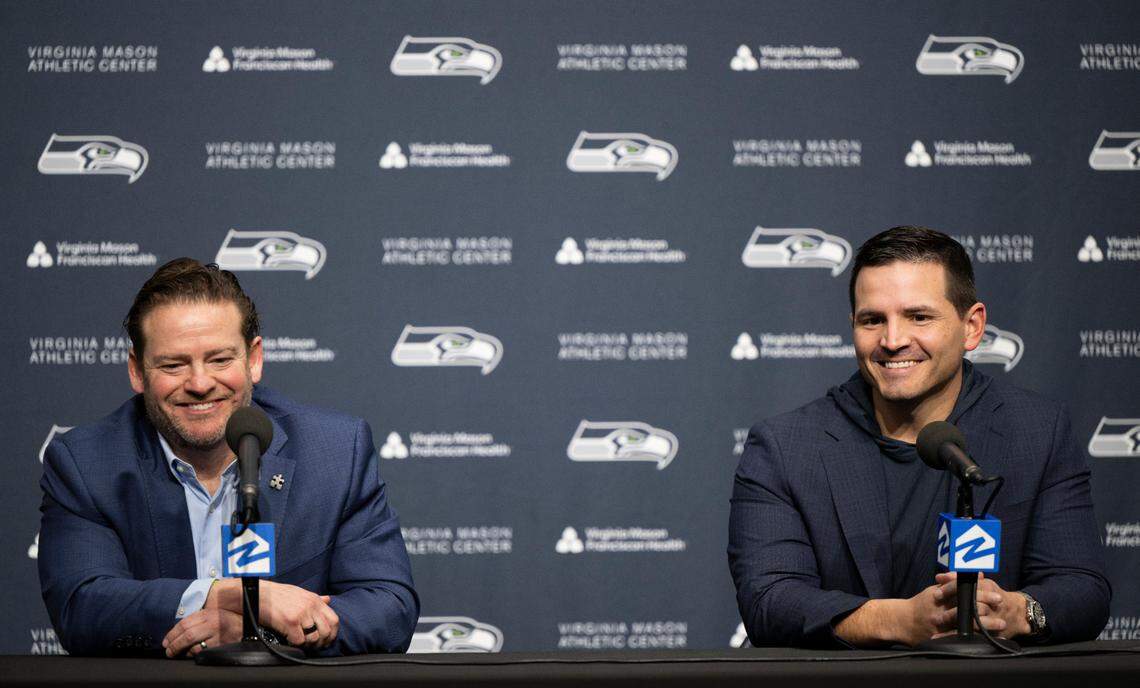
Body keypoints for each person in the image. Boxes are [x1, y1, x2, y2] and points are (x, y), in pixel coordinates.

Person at [728, 226, 1110, 648]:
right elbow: (769, 602)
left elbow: (1082, 589)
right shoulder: (784, 447)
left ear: (972, 327)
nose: (893, 341)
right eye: (873, 320)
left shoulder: (1037, 431)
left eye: (919, 317)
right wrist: (900, 621)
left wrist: (1016, 612)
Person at [38, 258, 418, 657]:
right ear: (137, 371)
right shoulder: (86, 463)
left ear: (253, 359)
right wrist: (219, 595)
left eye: (220, 360)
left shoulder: (335, 452)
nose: (200, 383)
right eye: (173, 365)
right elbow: (82, 608)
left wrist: (260, 632)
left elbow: (389, 608)